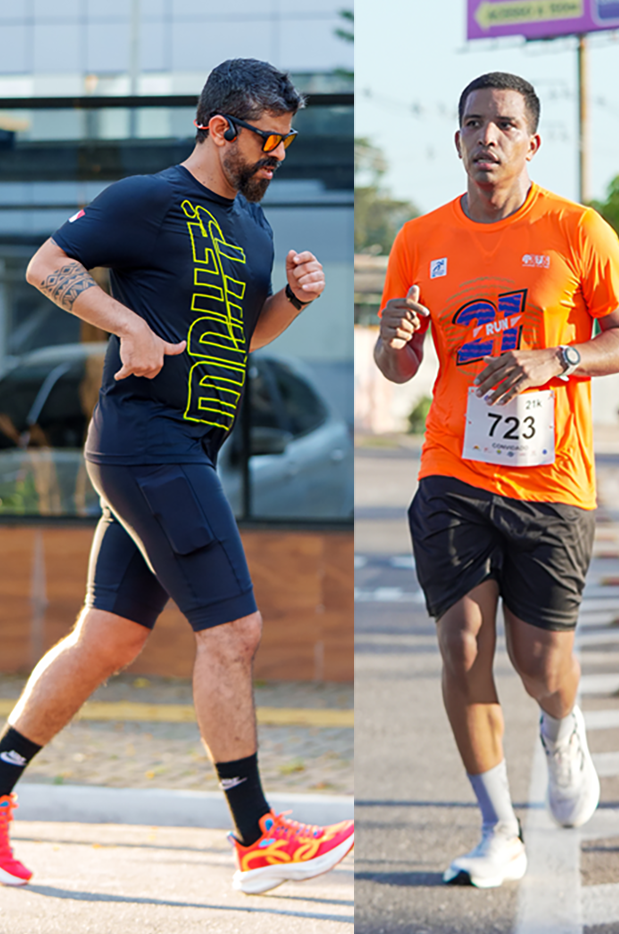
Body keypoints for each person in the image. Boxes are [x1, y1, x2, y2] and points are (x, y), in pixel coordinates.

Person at [0, 58, 352, 894]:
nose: (279, 155)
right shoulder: (146, 199)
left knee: (109, 638)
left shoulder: (254, 227)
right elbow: (45, 265)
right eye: (267, 139)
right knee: (233, 634)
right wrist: (125, 324)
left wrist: (294, 301)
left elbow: (241, 341)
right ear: (217, 127)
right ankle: (259, 835)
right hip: (144, 441)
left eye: (288, 141)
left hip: (186, 451)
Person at [374, 72, 619, 887]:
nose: (487, 136)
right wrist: (392, 339)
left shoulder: (577, 230)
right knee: (461, 643)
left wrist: (554, 357)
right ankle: (498, 831)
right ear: (455, 141)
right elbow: (398, 368)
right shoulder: (418, 240)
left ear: (532, 142)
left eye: (504, 124)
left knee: (538, 660)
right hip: (452, 468)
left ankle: (563, 727)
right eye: (473, 124)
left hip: (552, 482)